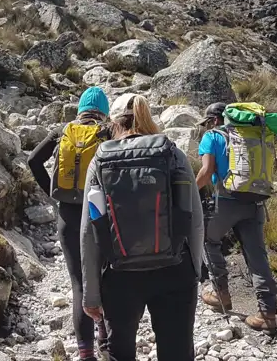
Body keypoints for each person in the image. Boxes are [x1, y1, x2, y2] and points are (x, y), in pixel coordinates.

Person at [81, 93, 204, 361]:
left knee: (120, 352)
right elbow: (195, 218)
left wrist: (91, 292)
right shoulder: (173, 154)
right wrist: (194, 269)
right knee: (177, 352)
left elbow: (89, 231)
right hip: (174, 269)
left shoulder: (100, 160)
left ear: (114, 122)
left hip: (119, 274)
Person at [28, 86, 111, 361]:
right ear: (104, 110)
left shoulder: (63, 131)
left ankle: (85, 353)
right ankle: (105, 339)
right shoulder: (107, 131)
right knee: (105, 278)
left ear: (80, 110)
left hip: (68, 216)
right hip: (100, 214)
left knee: (79, 284)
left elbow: (33, 161)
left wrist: (54, 196)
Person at [196, 102, 277, 334]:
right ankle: (268, 314)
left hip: (226, 202)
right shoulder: (253, 135)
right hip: (255, 204)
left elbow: (206, 172)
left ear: (213, 121)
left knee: (208, 240)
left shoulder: (212, 137)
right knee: (257, 256)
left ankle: (220, 292)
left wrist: (189, 193)